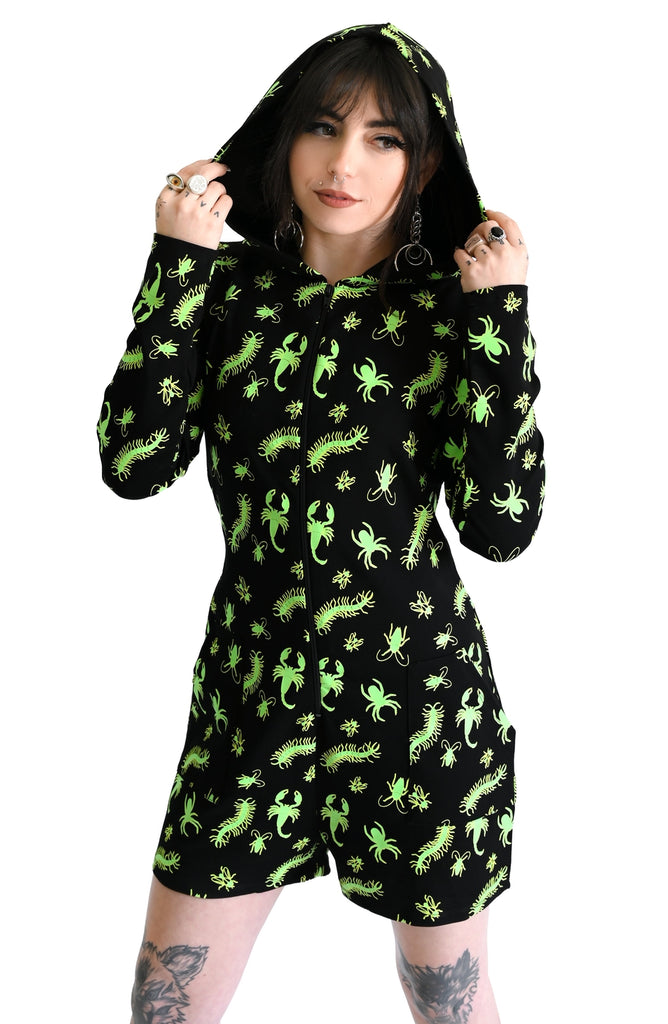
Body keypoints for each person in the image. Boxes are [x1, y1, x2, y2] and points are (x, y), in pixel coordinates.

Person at [97, 22, 544, 1024]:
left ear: (427, 165)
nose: (345, 165)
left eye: (385, 139)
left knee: (449, 1002)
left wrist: (499, 321)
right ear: (281, 134)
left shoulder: (454, 312)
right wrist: (176, 263)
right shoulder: (224, 293)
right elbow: (134, 464)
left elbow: (501, 526)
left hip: (417, 705)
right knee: (164, 1005)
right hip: (250, 696)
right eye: (323, 127)